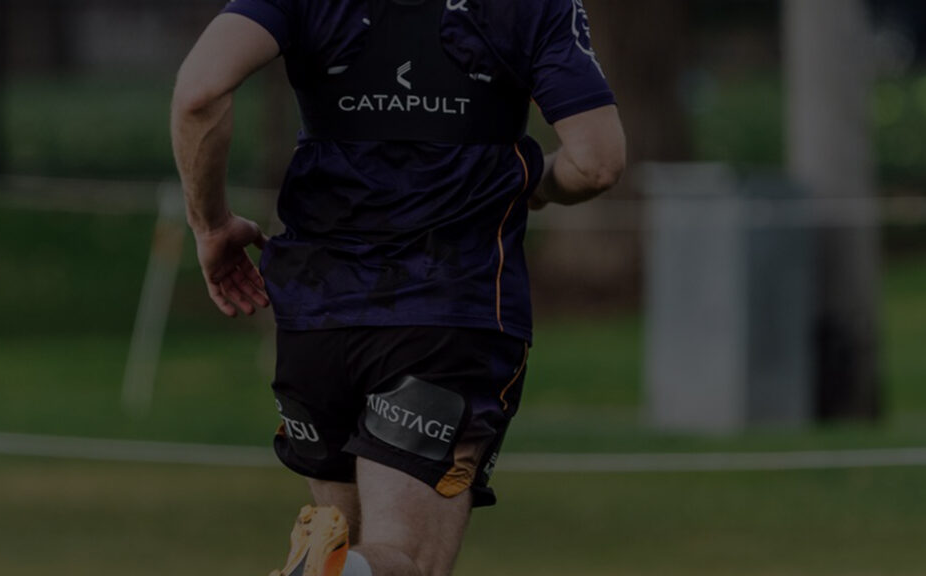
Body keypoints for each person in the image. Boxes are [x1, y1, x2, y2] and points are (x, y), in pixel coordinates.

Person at [170, 1, 625, 574]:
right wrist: (530, 182)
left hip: (315, 318)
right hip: (450, 314)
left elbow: (199, 92)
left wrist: (210, 225)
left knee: (348, 546)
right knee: (406, 561)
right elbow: (599, 161)